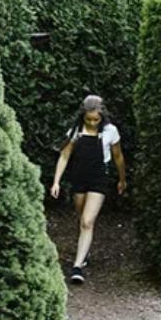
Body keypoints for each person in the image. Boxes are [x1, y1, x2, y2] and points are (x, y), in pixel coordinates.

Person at [50, 94, 126, 286]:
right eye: (89, 119)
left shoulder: (110, 131)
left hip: (99, 178)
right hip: (79, 178)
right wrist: (56, 181)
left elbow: (118, 157)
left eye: (96, 119)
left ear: (102, 116)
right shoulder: (75, 131)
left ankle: (77, 267)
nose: (92, 123)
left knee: (87, 221)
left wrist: (122, 180)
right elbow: (65, 156)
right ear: (83, 115)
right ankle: (83, 252)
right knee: (82, 218)